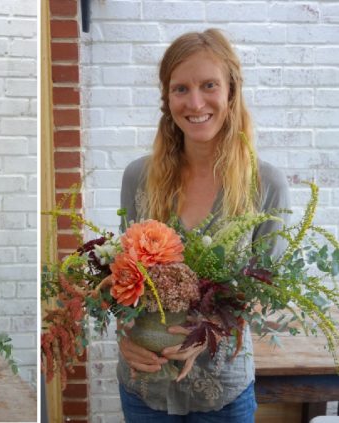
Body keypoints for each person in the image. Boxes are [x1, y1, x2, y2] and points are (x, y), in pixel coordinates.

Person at [116, 29, 290, 422]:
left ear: (231, 91)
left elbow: (268, 292)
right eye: (181, 89)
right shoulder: (138, 179)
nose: (195, 103)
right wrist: (125, 337)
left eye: (209, 85)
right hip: (145, 388)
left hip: (222, 394)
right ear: (167, 99)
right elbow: (123, 281)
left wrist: (209, 330)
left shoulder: (264, 186)